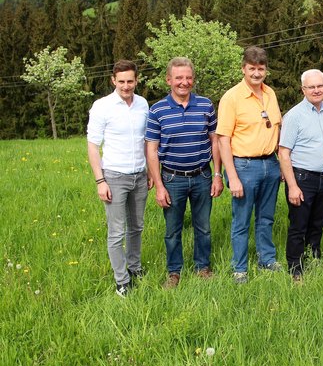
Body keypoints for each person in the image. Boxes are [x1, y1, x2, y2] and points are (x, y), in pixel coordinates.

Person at [145, 57, 224, 289]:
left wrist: (217, 175)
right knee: (172, 230)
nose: (184, 82)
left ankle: (202, 267)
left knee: (204, 227)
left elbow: (215, 141)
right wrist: (159, 185)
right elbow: (151, 149)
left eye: (188, 77)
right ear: (169, 80)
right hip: (171, 178)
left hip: (202, 176)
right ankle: (174, 272)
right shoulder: (157, 110)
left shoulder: (206, 105)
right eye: (179, 78)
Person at [217, 46, 282, 284]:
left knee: (266, 218)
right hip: (244, 167)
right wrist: (231, 177)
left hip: (271, 164)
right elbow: (223, 139)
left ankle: (267, 259)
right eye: (252, 68)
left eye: (261, 69)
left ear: (266, 70)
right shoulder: (231, 97)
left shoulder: (271, 94)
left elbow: (276, 126)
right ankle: (240, 268)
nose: (256, 73)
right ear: (243, 68)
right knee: (241, 220)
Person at [87, 60, 150, 297]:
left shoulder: (143, 104)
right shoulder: (102, 106)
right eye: (121, 81)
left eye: (130, 81)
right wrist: (100, 181)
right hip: (114, 176)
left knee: (137, 227)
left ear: (136, 80)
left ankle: (134, 268)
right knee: (116, 232)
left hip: (140, 176)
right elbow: (93, 146)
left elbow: (147, 142)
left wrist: (151, 173)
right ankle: (121, 280)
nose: (126, 86)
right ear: (113, 80)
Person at [279, 69, 323, 281]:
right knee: (298, 225)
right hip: (302, 178)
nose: (316, 90)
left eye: (320, 86)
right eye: (311, 87)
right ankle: (295, 267)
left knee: (318, 222)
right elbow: (284, 153)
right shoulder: (294, 116)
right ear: (303, 89)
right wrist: (292, 186)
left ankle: (314, 257)